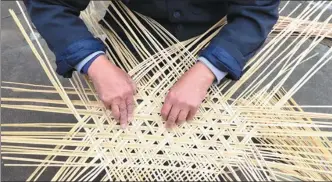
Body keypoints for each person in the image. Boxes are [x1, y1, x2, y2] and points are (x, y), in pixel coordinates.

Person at [23, 0, 280, 129]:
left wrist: (208, 70)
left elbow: (256, 12)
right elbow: (50, 3)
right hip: (132, 35)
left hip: (217, 39)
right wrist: (94, 63)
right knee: (125, 135)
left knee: (207, 135)